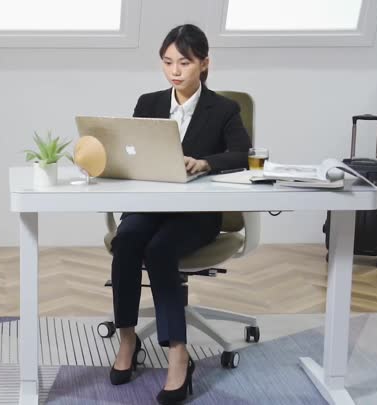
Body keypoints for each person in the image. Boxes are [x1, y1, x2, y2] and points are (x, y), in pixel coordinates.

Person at [108, 24, 251, 404]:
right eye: (168, 62)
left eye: (184, 63)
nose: (175, 71)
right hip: (152, 207)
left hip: (196, 216)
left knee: (159, 251)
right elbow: (130, 151)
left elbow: (242, 154)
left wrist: (205, 162)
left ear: (204, 64)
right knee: (127, 239)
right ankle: (127, 338)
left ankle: (178, 355)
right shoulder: (148, 103)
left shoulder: (223, 109)